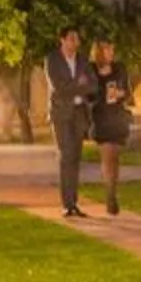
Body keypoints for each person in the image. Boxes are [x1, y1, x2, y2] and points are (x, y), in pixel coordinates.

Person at [44, 26, 96, 217]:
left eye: (77, 39)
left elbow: (93, 85)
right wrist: (79, 85)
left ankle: (73, 202)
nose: (76, 43)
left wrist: (79, 87)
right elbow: (59, 88)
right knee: (66, 156)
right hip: (61, 114)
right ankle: (67, 204)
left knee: (75, 158)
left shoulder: (83, 60)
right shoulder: (52, 60)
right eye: (72, 39)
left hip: (79, 114)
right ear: (63, 40)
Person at [88, 38, 133, 215]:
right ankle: (110, 195)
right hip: (101, 117)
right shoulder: (91, 70)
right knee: (108, 155)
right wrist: (101, 94)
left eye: (111, 50)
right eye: (107, 50)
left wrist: (120, 93)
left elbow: (128, 92)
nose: (111, 53)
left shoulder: (119, 68)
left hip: (117, 116)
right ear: (99, 51)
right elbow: (88, 94)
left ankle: (112, 189)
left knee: (115, 158)